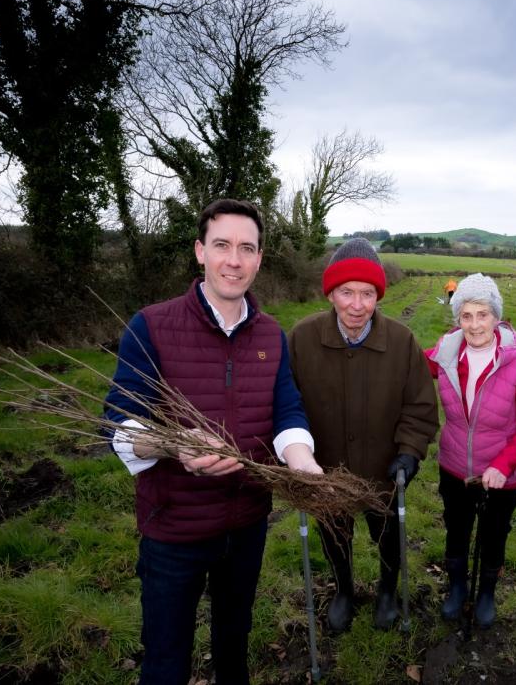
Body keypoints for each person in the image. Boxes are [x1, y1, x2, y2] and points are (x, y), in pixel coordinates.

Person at [104, 198, 323, 685]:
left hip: (246, 522)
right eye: (222, 245)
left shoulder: (271, 334)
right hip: (173, 527)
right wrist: (174, 444)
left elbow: (287, 408)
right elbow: (118, 421)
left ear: (260, 259)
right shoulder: (151, 326)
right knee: (166, 659)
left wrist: (301, 460)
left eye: (247, 248)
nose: (234, 260)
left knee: (234, 641)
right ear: (200, 251)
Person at [287, 238, 439, 632]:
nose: (357, 305)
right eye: (347, 292)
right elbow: (286, 403)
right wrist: (297, 455)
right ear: (331, 294)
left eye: (367, 293)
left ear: (378, 296)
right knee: (334, 532)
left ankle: (387, 591)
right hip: (327, 469)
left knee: (387, 532)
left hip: (382, 469)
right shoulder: (302, 339)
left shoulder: (402, 342)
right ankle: (343, 590)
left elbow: (420, 406)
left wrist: (410, 451)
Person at [424, 273, 516, 628]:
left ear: (496, 317)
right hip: (454, 466)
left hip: (501, 474)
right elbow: (406, 366)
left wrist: (504, 466)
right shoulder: (445, 353)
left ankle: (487, 592)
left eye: (483, 314)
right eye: (466, 315)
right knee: (456, 530)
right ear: (457, 318)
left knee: (494, 534)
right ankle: (457, 588)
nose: (475, 325)